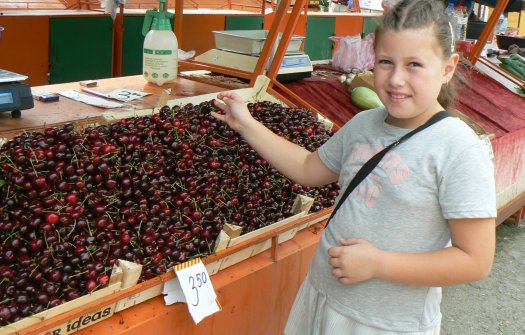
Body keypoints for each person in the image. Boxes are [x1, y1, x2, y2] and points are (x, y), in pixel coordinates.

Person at [212, 0, 497, 333]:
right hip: (321, 296)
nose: (396, 80)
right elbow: (308, 168)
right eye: (386, 62)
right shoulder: (364, 123)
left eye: (415, 64)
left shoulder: (458, 149)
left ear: (448, 68)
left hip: (384, 323)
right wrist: (245, 124)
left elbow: (475, 260)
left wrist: (379, 263)